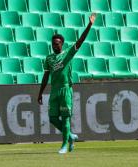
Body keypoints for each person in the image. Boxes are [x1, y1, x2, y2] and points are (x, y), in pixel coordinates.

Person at [37, 13, 96, 154]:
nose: (54, 46)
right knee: (52, 118)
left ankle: (64, 145)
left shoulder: (68, 53)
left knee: (65, 119)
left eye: (57, 44)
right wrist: (40, 93)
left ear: (61, 44)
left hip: (65, 89)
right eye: (53, 44)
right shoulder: (49, 58)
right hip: (54, 91)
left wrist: (89, 25)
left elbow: (80, 40)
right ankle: (70, 136)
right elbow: (46, 76)